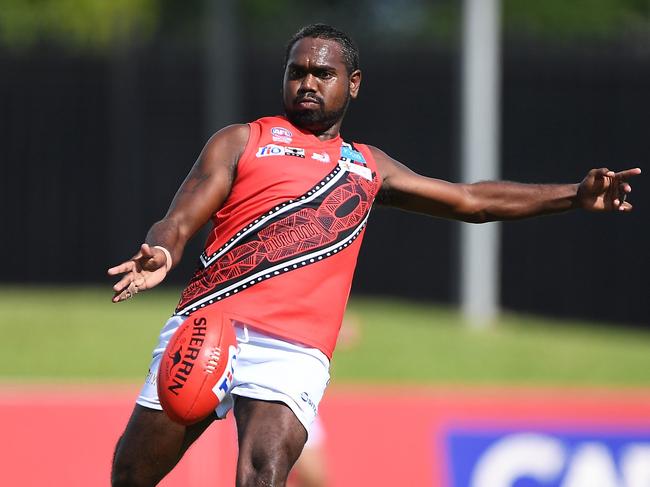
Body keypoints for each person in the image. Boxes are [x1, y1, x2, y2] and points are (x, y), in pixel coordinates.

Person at [108, 23, 641, 487]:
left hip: (292, 348)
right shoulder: (243, 140)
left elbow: (471, 200)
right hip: (208, 324)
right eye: (297, 72)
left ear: (353, 83)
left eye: (323, 73)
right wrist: (162, 247)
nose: (308, 83)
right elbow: (179, 216)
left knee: (264, 470)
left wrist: (573, 194)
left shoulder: (367, 166)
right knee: (132, 474)